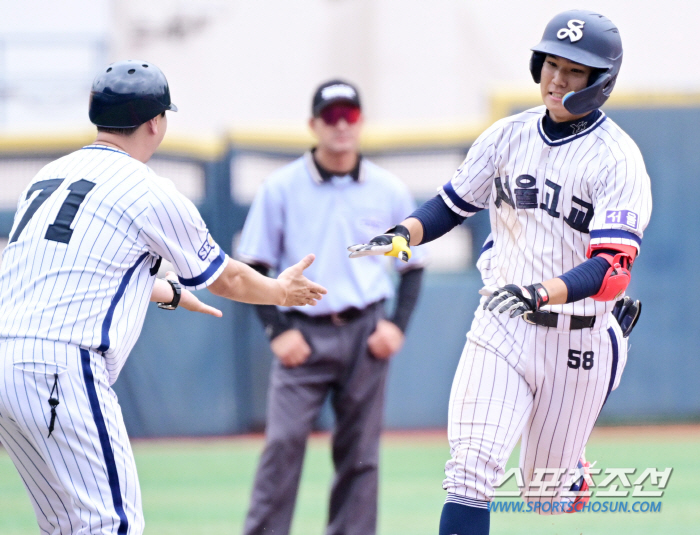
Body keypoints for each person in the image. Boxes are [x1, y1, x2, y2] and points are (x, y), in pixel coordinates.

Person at [349, 10, 651, 534]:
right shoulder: (507, 136)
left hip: (575, 337)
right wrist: (404, 234)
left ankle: (607, 363)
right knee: (469, 473)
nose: (557, 79)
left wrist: (544, 291)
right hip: (501, 323)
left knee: (545, 496)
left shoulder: (618, 160)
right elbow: (452, 204)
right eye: (552, 63)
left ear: (600, 82)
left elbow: (613, 271)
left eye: (575, 70)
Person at [0, 60, 326, 535]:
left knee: (67, 527)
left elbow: (65, 270)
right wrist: (280, 290)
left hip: (9, 359)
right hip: (60, 367)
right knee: (112, 525)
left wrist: (165, 292)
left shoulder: (50, 174)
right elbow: (226, 279)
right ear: (155, 122)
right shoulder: (148, 189)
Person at [238, 79, 426, 535]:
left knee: (361, 454)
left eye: (350, 115)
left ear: (361, 123)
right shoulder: (280, 188)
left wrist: (396, 327)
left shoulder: (388, 189)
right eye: (331, 117)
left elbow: (412, 266)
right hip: (302, 333)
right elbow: (255, 265)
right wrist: (277, 330)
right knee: (282, 444)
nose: (341, 126)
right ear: (314, 124)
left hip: (365, 333)